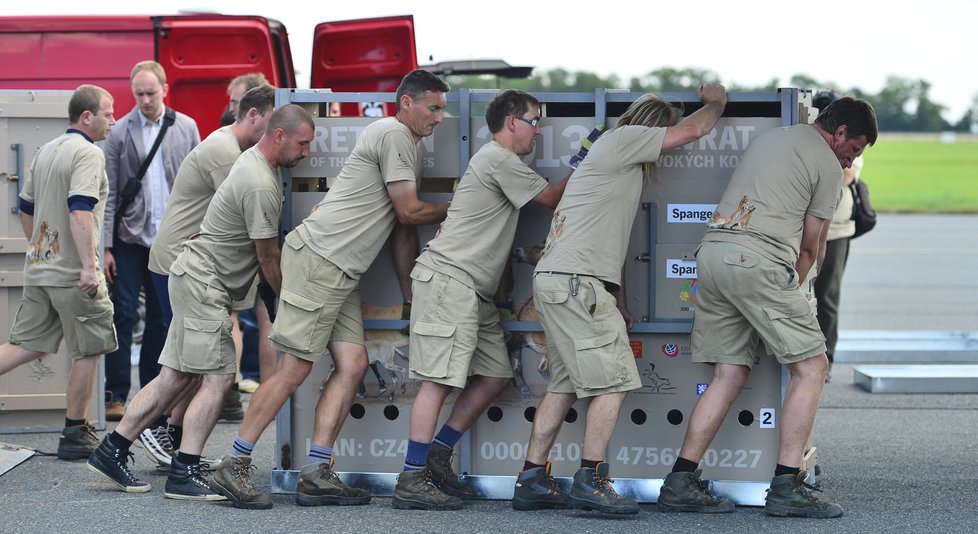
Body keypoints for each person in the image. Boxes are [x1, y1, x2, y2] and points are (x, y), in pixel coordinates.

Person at [209, 69, 451, 510]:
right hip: (322, 262)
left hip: (340, 270)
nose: (440, 117)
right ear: (406, 104)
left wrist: (408, 290)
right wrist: (464, 210)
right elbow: (411, 211)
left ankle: (317, 472)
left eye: (442, 108)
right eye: (433, 107)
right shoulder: (394, 134)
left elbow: (400, 225)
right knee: (294, 368)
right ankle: (234, 463)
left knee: (354, 363)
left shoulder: (407, 146)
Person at [656, 97, 877, 518]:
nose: (853, 158)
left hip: (713, 255)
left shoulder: (773, 138)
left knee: (729, 372)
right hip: (756, 261)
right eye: (856, 148)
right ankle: (786, 486)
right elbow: (812, 246)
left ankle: (680, 481)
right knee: (812, 366)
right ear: (841, 132)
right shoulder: (829, 166)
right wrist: (801, 292)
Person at [512, 85, 728, 515]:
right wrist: (717, 101)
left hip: (562, 280)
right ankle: (591, 479)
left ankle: (531, 479)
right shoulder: (623, 139)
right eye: (660, 132)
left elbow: (612, 245)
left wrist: (620, 299)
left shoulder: (613, 169)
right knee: (615, 379)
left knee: (564, 383)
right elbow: (689, 131)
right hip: (577, 283)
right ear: (650, 124)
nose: (663, 147)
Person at [87, 105, 315, 498]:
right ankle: (184, 472)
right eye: (303, 143)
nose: (307, 152)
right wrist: (285, 301)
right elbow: (267, 257)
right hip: (203, 283)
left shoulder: (254, 163)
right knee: (220, 377)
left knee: (176, 376)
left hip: (192, 276)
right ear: (279, 136)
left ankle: (114, 449)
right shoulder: (260, 180)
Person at [391, 89, 569, 511]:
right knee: (438, 381)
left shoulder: (500, 163)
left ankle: (436, 455)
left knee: (495, 374)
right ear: (512, 122)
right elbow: (550, 198)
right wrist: (592, 161)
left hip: (475, 292)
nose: (537, 131)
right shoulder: (498, 159)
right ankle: (411, 478)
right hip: (450, 283)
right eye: (533, 121)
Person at [136, 84, 275, 469]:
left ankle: (174, 439)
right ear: (251, 115)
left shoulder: (234, 148)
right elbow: (250, 217)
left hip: (193, 263)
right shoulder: (228, 156)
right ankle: (154, 426)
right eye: (271, 121)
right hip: (181, 263)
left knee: (196, 359)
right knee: (190, 362)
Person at [0, 85, 117, 461]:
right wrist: (87, 266)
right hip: (72, 274)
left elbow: (24, 209)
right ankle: (74, 433)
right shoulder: (88, 154)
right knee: (90, 348)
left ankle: (75, 430)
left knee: (25, 346)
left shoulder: (46, 151)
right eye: (108, 114)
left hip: (40, 270)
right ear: (87, 116)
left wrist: (38, 250)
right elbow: (80, 209)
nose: (112, 122)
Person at [102, 60, 200, 422]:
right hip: (130, 237)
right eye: (139, 94)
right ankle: (116, 392)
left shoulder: (186, 127)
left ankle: (153, 393)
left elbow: (199, 187)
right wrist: (107, 246)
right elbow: (109, 192)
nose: (144, 100)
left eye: (150, 93)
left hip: (172, 240)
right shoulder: (119, 132)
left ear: (165, 89)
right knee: (122, 313)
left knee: (162, 318)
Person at [811, 91, 863, 382]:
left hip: (837, 230)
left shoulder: (852, 147)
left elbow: (844, 175)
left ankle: (826, 359)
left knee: (826, 297)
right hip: (808, 226)